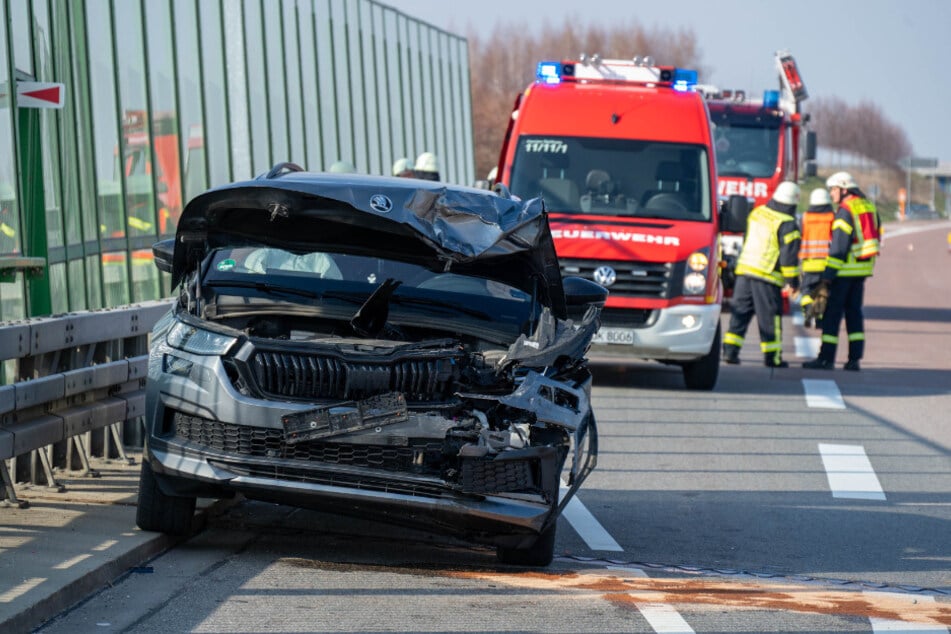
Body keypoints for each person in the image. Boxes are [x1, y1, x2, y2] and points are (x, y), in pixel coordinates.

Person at [803, 172, 880, 371]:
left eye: (834, 189)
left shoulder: (845, 211)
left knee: (831, 316)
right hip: (861, 271)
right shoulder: (868, 205)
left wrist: (827, 277)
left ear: (844, 189)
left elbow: (839, 248)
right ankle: (854, 360)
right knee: (854, 314)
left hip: (844, 272)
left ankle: (825, 359)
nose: (831, 193)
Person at [723, 181, 802, 368]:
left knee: (739, 314)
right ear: (792, 203)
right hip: (766, 276)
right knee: (770, 319)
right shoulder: (787, 224)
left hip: (744, 271)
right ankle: (772, 358)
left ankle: (730, 352)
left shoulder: (757, 213)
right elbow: (788, 258)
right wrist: (792, 282)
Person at [798, 188, 835, 328]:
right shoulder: (833, 216)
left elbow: (799, 237)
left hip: (809, 263)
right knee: (824, 293)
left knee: (806, 291)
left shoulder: (805, 217)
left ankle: (808, 309)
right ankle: (820, 318)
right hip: (827, 263)